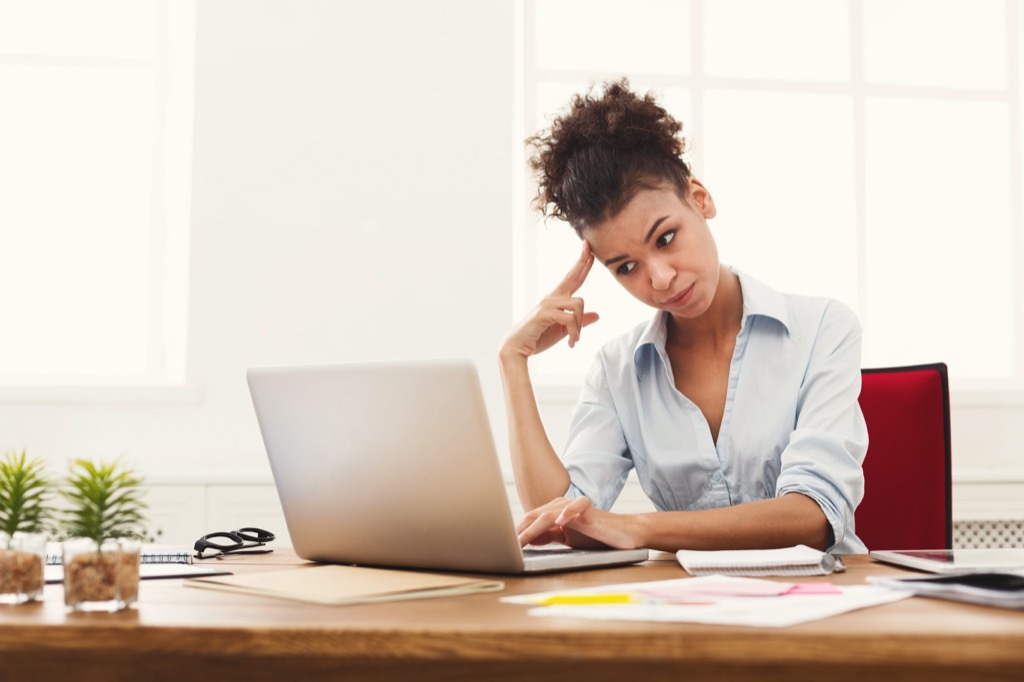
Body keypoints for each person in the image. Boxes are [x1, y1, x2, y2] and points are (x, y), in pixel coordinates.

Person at [499, 79, 867, 555]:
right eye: (626, 267)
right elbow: (558, 521)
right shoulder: (618, 371)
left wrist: (643, 529)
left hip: (821, 605)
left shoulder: (822, 328)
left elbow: (815, 514)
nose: (661, 278)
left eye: (666, 238)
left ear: (699, 198)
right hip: (689, 610)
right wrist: (514, 362)